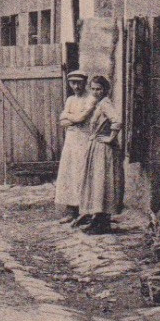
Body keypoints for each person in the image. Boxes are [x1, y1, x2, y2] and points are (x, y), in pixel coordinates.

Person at [77, 75, 124, 233]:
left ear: (106, 90)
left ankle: (103, 222)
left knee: (103, 183)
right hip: (97, 148)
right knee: (97, 184)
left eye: (99, 89)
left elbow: (117, 121)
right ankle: (97, 219)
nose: (96, 92)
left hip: (104, 150)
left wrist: (110, 138)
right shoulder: (98, 104)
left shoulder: (105, 104)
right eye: (93, 89)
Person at [55, 71, 96, 226]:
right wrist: (71, 118)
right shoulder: (70, 99)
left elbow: (81, 118)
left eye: (79, 83)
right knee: (69, 173)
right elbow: (61, 119)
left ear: (85, 82)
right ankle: (71, 211)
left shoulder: (90, 99)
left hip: (84, 140)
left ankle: (85, 211)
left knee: (82, 173)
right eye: (73, 83)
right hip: (71, 140)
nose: (76, 86)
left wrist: (70, 118)